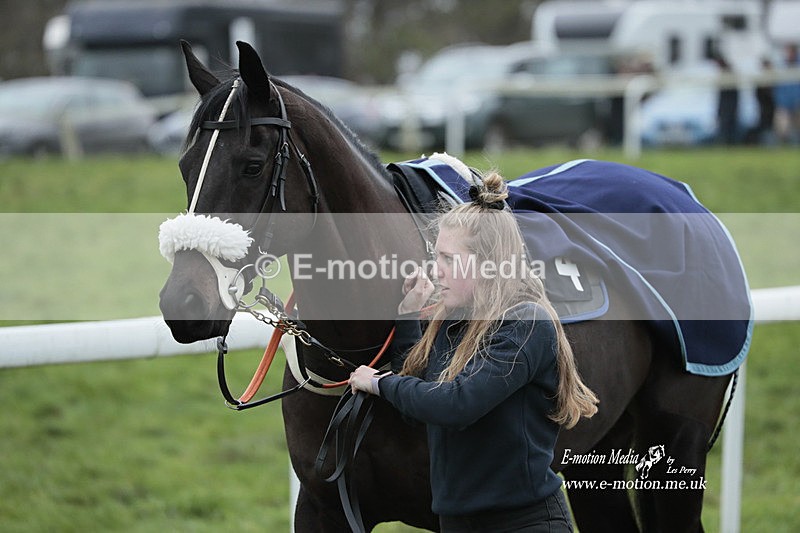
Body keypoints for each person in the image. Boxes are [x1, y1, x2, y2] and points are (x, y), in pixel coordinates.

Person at [349, 173, 598, 532]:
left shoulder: (527, 323)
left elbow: (455, 404)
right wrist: (407, 315)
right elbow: (419, 405)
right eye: (437, 257)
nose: (437, 271)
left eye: (449, 259)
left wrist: (378, 384)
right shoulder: (454, 320)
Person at [773, 43, 800, 144]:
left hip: (798, 104)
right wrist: (782, 103)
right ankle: (783, 147)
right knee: (782, 129)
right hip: (784, 105)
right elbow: (778, 88)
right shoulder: (781, 67)